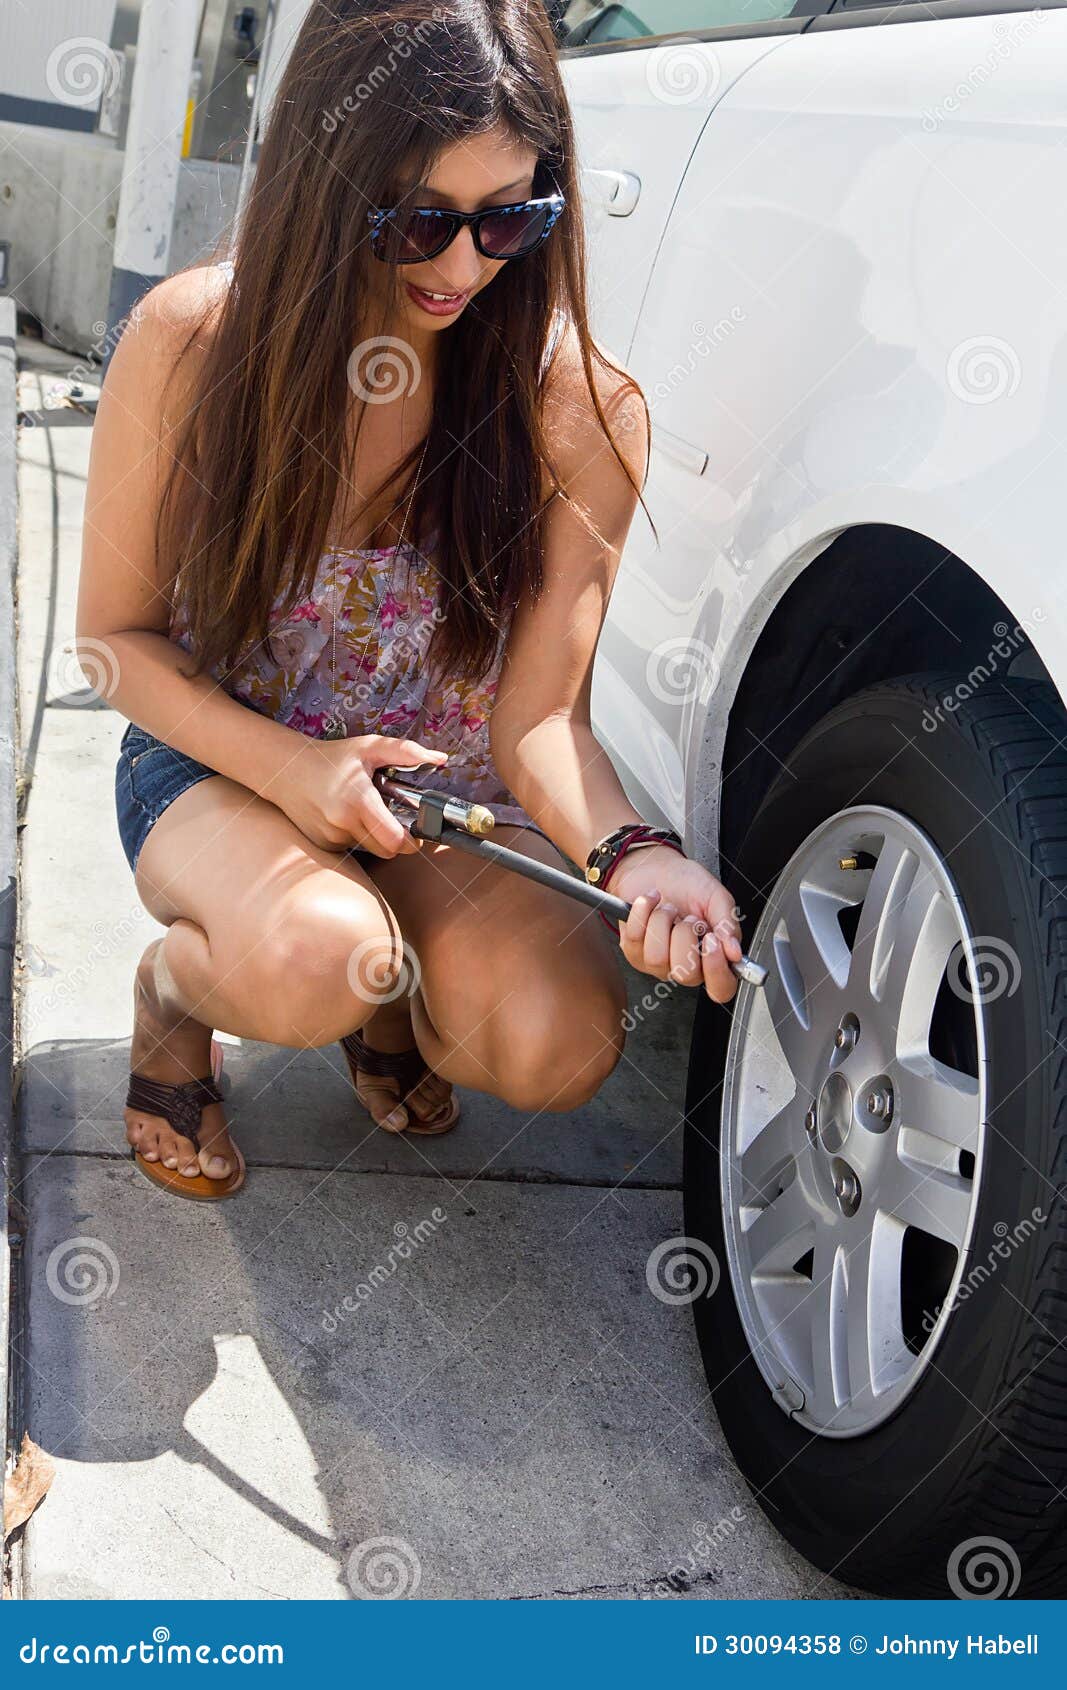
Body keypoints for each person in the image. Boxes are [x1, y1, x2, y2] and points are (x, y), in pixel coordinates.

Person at [76, 0, 745, 1202]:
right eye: (417, 220)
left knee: (556, 1041)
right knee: (317, 959)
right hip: (224, 763)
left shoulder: (580, 411)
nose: (461, 268)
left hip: (446, 806)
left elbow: (539, 722)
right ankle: (176, 995)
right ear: (320, 186)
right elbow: (114, 647)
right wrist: (294, 773)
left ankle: (391, 991)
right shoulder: (192, 345)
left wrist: (637, 855)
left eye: (510, 218)